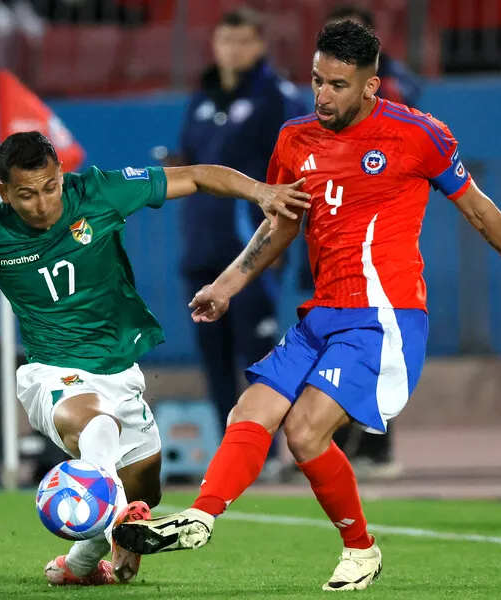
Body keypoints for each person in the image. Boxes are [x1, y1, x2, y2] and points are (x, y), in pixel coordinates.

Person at [112, 21, 501, 591]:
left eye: (337, 84)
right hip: (322, 314)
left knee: (305, 433)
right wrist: (227, 285)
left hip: (384, 315)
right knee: (250, 410)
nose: (323, 95)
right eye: (316, 80)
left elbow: (479, 209)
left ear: (371, 86)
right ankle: (201, 518)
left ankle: (359, 549)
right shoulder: (295, 139)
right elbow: (281, 226)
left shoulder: (417, 135)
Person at [0, 131, 310, 586]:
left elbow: (198, 176)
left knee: (143, 496)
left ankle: (83, 560)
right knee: (92, 421)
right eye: (25, 194)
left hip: (119, 373)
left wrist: (262, 190)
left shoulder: (101, 192)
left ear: (61, 175)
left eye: (49, 187)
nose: (42, 204)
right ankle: (104, 506)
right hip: (52, 374)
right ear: (3, 191)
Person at [172, 7, 306, 443]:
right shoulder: (202, 97)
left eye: (243, 41)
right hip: (201, 245)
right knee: (213, 357)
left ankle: (264, 453)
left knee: (256, 352)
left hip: (250, 247)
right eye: (225, 41)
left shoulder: (277, 97)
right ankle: (228, 447)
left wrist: (281, 240)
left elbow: (296, 168)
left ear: (260, 45)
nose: (232, 50)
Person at [324, 3, 425, 479]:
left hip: (378, 243)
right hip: (332, 240)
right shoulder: (324, 96)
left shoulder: (396, 91)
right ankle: (342, 448)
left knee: (381, 347)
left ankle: (376, 448)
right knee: (339, 343)